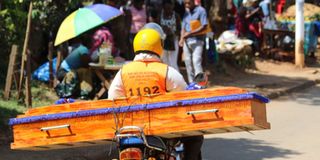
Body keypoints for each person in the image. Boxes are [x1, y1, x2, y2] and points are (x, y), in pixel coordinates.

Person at [108, 23, 203, 160]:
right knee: (195, 137)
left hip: (130, 131)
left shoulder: (122, 72)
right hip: (162, 130)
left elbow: (113, 98)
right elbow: (184, 96)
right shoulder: (166, 71)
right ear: (159, 46)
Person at [179, 0, 208, 83]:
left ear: (193, 1)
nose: (187, 5)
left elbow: (204, 26)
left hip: (198, 40)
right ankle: (192, 83)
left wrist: (190, 33)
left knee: (196, 61)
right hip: (187, 41)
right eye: (186, 3)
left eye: (189, 3)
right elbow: (183, 27)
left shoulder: (201, 11)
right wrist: (181, 38)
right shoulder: (186, 12)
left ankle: (200, 84)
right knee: (188, 63)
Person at [160, 0, 181, 71]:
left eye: (170, 7)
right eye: (166, 8)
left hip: (173, 41)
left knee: (173, 62)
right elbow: (157, 27)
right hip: (162, 42)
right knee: (164, 61)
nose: (168, 9)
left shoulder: (176, 16)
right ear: (163, 7)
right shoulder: (160, 15)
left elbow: (179, 30)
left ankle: (176, 80)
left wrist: (171, 32)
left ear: (173, 6)